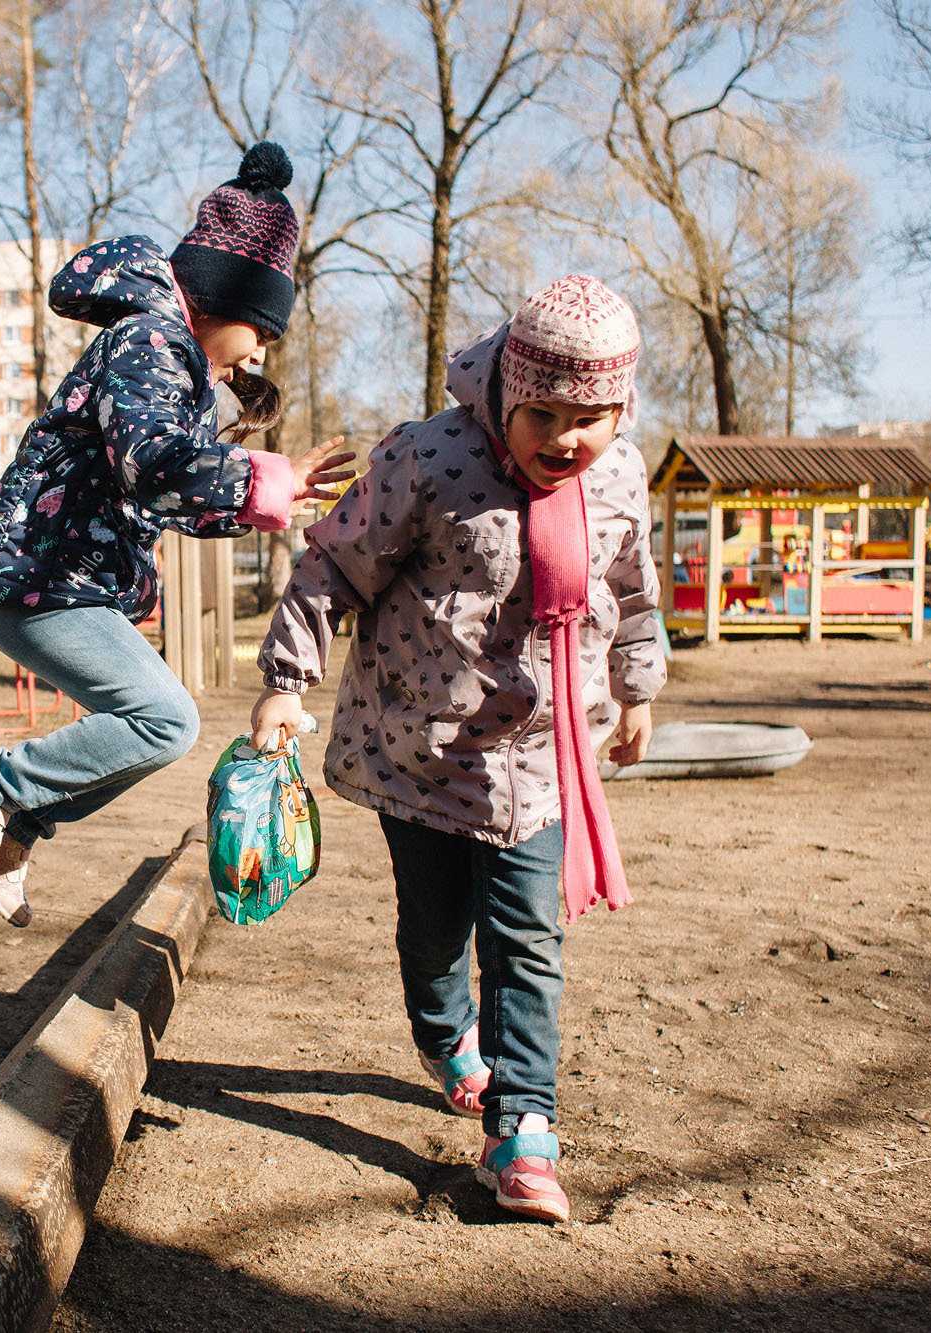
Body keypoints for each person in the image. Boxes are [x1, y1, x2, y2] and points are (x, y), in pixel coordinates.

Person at [249, 275, 665, 1224]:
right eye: (544, 412)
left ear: (623, 408)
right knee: (437, 927)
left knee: (526, 937)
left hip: (543, 760)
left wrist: (638, 687)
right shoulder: (427, 457)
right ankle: (445, 1036)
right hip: (424, 748)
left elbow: (633, 589)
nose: (566, 437)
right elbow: (331, 565)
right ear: (507, 391)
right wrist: (284, 679)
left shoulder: (620, 474)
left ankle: (524, 1129)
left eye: (592, 416)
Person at [0, 141, 355, 928]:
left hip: (55, 580)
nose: (260, 354)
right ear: (223, 300)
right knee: (166, 718)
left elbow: (172, 495)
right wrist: (260, 476)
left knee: (154, 728)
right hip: (39, 577)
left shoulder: (173, 364)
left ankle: (14, 828)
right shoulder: (151, 342)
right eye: (261, 332)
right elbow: (154, 464)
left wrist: (261, 502)